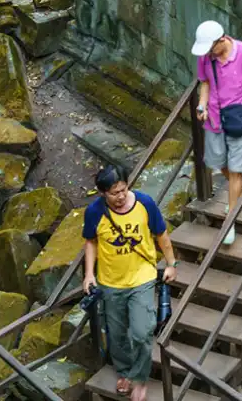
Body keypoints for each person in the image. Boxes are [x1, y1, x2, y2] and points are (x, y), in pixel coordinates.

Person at [82, 165, 177, 401]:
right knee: (116, 333)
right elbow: (91, 241)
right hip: (110, 282)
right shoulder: (95, 212)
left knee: (142, 330)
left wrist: (171, 263)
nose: (121, 197)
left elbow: (161, 234)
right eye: (114, 193)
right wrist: (89, 274)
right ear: (103, 193)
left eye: (124, 190)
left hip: (142, 277)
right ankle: (124, 372)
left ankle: (140, 377)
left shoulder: (144, 203)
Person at [192, 21, 242, 246]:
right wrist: (202, 105)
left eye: (210, 48)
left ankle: (230, 221)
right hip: (215, 118)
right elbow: (204, 82)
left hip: (240, 118)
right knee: (217, 162)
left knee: (235, 171)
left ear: (222, 40)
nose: (207, 52)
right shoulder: (206, 57)